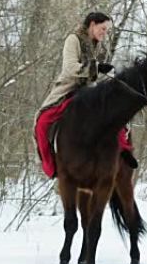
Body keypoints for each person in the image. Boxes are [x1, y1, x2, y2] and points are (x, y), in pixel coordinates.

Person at [34, 12, 137, 178]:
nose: (105, 32)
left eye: (107, 30)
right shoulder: (73, 40)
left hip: (90, 89)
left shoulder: (96, 45)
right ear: (92, 24)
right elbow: (70, 68)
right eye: (103, 28)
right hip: (69, 89)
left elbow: (96, 73)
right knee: (42, 122)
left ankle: (123, 150)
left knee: (114, 110)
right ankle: (51, 167)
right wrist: (96, 67)